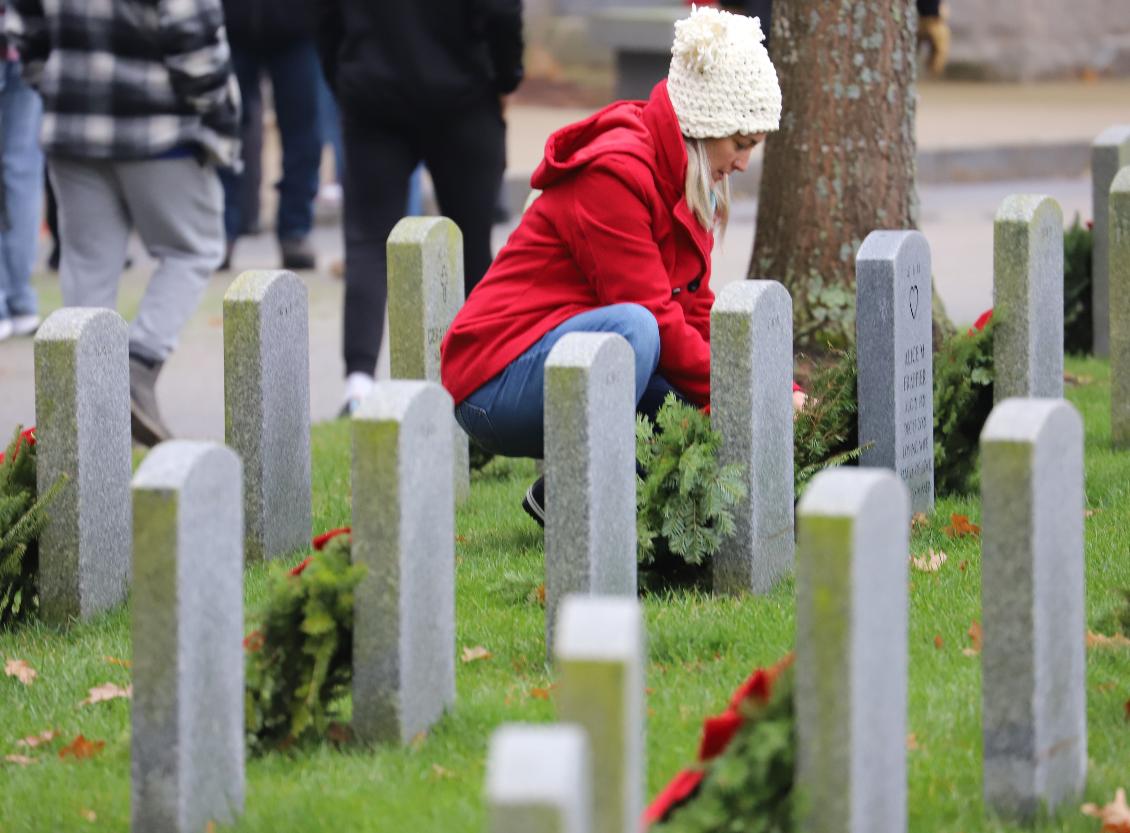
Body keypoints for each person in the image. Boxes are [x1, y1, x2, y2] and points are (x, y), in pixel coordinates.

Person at [440, 6, 803, 525]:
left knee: (670, 397)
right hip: (493, 382)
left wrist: (772, 389)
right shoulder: (617, 173)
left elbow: (695, 309)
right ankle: (574, 490)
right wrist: (750, 390)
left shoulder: (684, 176)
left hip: (571, 356)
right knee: (636, 331)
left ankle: (715, 505)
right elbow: (655, 317)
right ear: (706, 125)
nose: (744, 162)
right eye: (741, 143)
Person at [7, 0, 240, 446]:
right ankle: (138, 366)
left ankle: (86, 426)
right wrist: (219, 114)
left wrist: (52, 84)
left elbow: (23, 23)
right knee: (194, 248)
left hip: (72, 123)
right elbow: (193, 33)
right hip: (160, 125)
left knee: (87, 268)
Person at [316, 0, 524, 415]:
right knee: (470, 244)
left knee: (368, 241)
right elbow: (502, 12)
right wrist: (505, 77)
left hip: (374, 87)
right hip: (462, 90)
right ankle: (479, 378)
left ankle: (358, 384)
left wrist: (343, 75)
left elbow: (322, 15)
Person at [220, 0, 322, 270]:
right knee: (225, 130)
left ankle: (295, 230)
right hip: (231, 23)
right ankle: (222, 231)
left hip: (298, 25)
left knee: (304, 135)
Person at [0, 1, 42, 342]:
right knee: (23, 173)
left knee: (22, 173)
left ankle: (8, 303)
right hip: (26, 38)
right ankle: (21, 300)